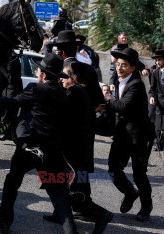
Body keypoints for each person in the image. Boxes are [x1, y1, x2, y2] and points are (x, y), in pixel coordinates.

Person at [0, 53, 79, 234]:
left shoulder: (36, 89)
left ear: (43, 73)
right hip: (53, 150)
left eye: (39, 70)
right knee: (58, 192)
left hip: (31, 147)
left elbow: (13, 101)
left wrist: (0, 98)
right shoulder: (63, 96)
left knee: (12, 181)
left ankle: (4, 222)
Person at [44, 62, 113, 234]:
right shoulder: (77, 91)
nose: (62, 79)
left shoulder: (75, 92)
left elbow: (61, 113)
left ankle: (102, 215)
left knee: (76, 195)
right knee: (62, 187)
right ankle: (60, 215)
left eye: (65, 75)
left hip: (76, 153)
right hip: (76, 151)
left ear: (73, 77)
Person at [104, 47, 155, 222]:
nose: (119, 68)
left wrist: (108, 97)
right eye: (118, 64)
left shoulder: (136, 85)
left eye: (124, 65)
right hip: (122, 135)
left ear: (133, 68)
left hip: (139, 136)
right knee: (113, 169)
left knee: (139, 173)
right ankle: (129, 192)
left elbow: (121, 106)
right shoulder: (118, 81)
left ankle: (146, 207)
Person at [53, 30, 104, 110]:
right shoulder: (90, 68)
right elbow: (98, 100)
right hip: (87, 119)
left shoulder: (59, 70)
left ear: (62, 53)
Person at [148, 45, 164, 151]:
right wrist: (151, 97)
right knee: (158, 124)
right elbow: (152, 89)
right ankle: (157, 143)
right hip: (159, 101)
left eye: (159, 60)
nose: (157, 62)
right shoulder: (155, 73)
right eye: (156, 60)